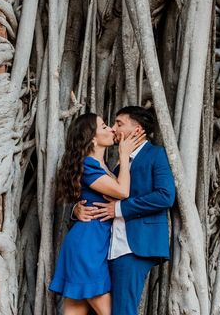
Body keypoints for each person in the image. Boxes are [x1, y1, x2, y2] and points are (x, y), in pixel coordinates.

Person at [75, 106, 176, 315]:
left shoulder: (156, 155)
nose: (113, 128)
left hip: (134, 246)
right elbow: (97, 194)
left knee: (122, 310)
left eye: (119, 123)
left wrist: (119, 209)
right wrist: (76, 209)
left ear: (137, 129)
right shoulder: (119, 164)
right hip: (108, 248)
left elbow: (165, 196)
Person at [49, 113, 145, 315]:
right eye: (104, 127)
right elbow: (122, 192)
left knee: (75, 312)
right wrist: (124, 156)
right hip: (87, 247)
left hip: (94, 243)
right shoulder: (89, 165)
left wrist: (75, 209)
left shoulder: (102, 167)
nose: (112, 129)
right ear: (92, 137)